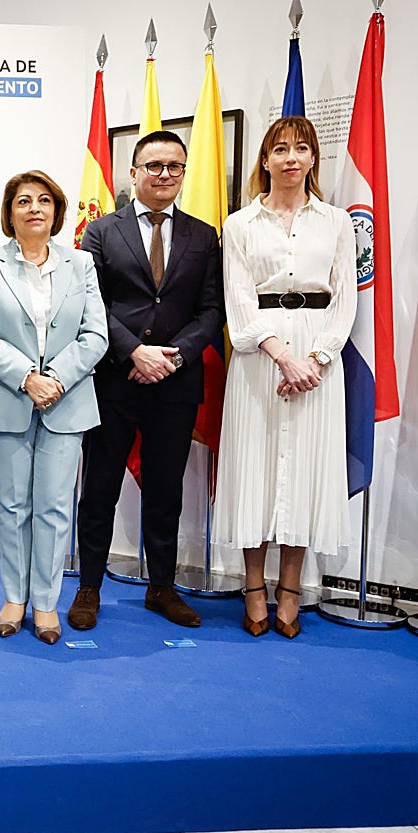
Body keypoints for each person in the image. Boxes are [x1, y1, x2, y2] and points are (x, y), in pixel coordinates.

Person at [70, 130, 224, 631]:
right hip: (114, 379)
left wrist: (173, 356)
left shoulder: (204, 236)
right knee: (99, 490)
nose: (164, 175)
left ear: (184, 173)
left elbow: (211, 310)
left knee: (165, 490)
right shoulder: (101, 232)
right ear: (133, 173)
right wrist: (134, 351)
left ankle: (162, 586)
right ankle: (89, 586)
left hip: (176, 384)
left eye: (174, 167)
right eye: (153, 166)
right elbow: (90, 305)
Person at [213, 116, 355, 638]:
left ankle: (290, 588)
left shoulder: (337, 223)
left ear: (314, 158)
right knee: (257, 467)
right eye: (280, 149)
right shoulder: (240, 224)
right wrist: (281, 355)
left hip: (318, 361)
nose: (290, 157)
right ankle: (254, 587)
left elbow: (345, 300)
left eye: (301, 148)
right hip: (259, 359)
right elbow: (239, 301)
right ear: (265, 160)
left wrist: (315, 359)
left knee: (304, 471)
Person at [0, 171, 108, 644]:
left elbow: (96, 335)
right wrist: (28, 378)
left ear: (57, 211)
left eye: (44, 200)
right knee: (12, 506)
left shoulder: (82, 265)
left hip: (66, 403)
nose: (34, 208)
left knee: (53, 508)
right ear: (9, 213)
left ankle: (45, 602)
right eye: (23, 201)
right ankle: (14, 596)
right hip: (8, 398)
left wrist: (57, 379)